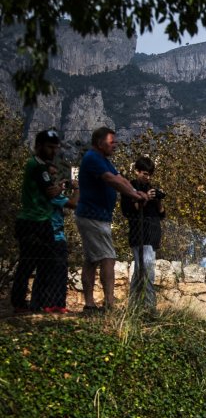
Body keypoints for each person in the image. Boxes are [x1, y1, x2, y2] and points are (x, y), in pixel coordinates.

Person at [75, 127, 148, 312]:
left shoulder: (103, 160)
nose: (115, 145)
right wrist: (135, 196)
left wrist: (135, 191)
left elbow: (120, 178)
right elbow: (111, 180)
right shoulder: (93, 158)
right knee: (108, 257)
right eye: (111, 142)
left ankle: (90, 304)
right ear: (100, 143)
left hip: (98, 216)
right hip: (93, 216)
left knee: (92, 259)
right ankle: (109, 303)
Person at [10, 130, 62, 313]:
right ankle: (20, 303)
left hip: (42, 220)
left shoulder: (40, 166)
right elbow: (51, 192)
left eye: (55, 147)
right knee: (29, 263)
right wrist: (61, 187)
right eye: (49, 147)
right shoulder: (38, 166)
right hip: (33, 221)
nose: (53, 151)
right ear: (39, 146)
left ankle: (38, 303)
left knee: (44, 263)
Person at [31, 164, 80, 313]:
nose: (53, 178)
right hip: (55, 237)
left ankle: (39, 303)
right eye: (51, 175)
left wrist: (59, 188)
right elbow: (74, 204)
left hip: (41, 236)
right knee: (57, 271)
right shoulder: (52, 194)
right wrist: (76, 189)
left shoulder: (38, 191)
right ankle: (54, 303)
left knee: (43, 270)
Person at [121, 156, 166, 309]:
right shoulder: (130, 188)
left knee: (141, 271)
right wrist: (145, 198)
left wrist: (158, 200)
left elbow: (162, 214)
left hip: (153, 235)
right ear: (137, 171)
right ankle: (149, 306)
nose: (147, 177)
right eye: (145, 174)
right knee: (147, 271)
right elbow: (128, 211)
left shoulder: (151, 189)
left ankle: (133, 306)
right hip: (139, 235)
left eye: (149, 175)